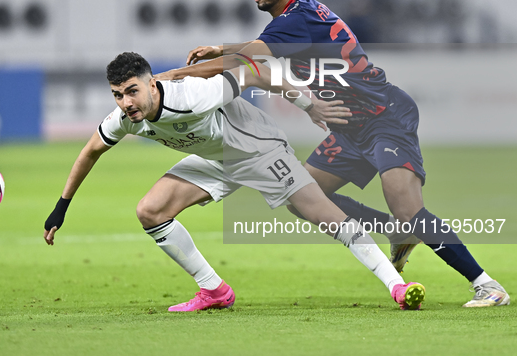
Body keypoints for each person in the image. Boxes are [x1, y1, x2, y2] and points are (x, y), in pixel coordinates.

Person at [158, 0, 509, 308]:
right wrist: (219, 48)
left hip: (384, 117)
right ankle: (395, 231)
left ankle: (487, 285)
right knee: (305, 196)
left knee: (409, 209)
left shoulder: (295, 19)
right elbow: (254, 50)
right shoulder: (298, 14)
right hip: (351, 127)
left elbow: (244, 60)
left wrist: (172, 76)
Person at [43, 51, 426, 312]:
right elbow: (90, 150)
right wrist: (62, 206)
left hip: (258, 149)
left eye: (132, 91)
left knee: (322, 215)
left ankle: (396, 285)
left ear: (151, 85)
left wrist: (309, 105)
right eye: (117, 95)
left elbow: (256, 70)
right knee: (151, 210)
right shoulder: (124, 118)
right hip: (217, 158)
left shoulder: (194, 95)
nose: (126, 102)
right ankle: (215, 291)